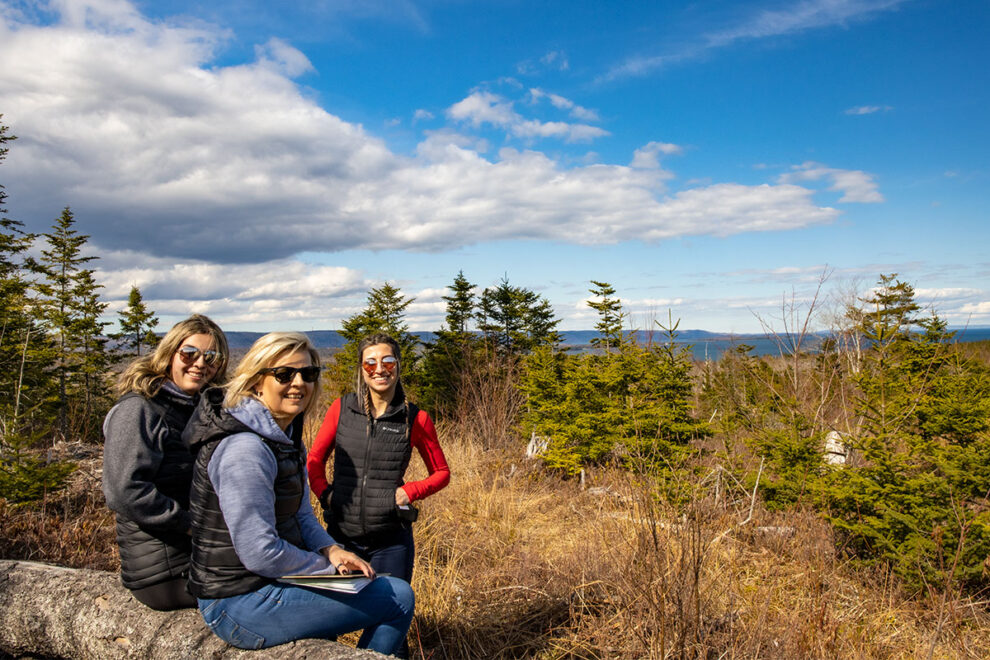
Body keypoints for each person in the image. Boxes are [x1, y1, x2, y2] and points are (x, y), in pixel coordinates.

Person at [183, 331, 414, 654]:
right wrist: (326, 570)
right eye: (283, 374)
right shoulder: (246, 449)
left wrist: (330, 550)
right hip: (237, 601)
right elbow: (259, 551)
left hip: (261, 584)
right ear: (256, 382)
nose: (298, 383)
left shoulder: (283, 436)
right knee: (398, 598)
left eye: (308, 374)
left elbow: (302, 513)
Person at [102, 314, 229, 611]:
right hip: (163, 571)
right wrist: (189, 525)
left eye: (211, 357)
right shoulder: (139, 409)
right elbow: (124, 491)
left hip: (201, 556)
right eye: (189, 353)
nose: (200, 363)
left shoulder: (199, 409)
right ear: (170, 354)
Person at [308, 332, 450, 589]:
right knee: (335, 616)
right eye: (370, 363)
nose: (379, 369)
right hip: (342, 540)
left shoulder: (416, 419)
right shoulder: (341, 409)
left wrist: (409, 492)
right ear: (362, 370)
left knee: (390, 611)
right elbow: (315, 460)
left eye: (387, 361)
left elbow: (441, 473)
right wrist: (326, 495)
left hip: (391, 542)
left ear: (398, 365)